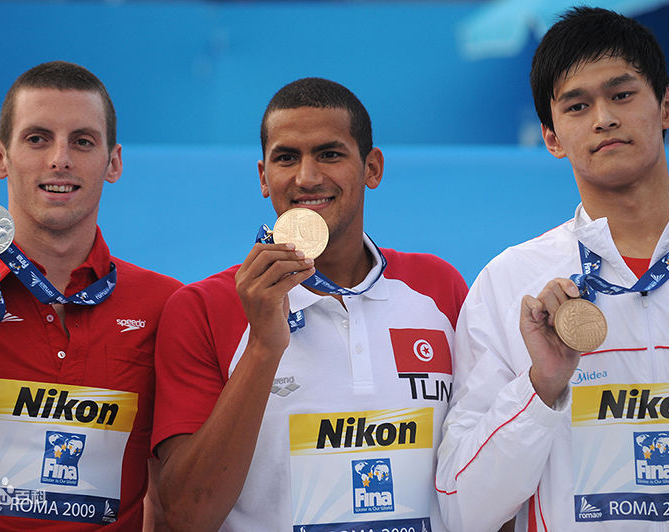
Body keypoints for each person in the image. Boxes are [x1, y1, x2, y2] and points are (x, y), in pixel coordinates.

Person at [436, 6, 669, 531]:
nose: (604, 117)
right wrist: (541, 385)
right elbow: (460, 510)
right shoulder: (509, 281)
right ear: (552, 137)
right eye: (578, 105)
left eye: (622, 94)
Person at [152, 77, 467, 531]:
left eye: (330, 153)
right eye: (286, 158)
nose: (307, 177)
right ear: (264, 177)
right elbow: (186, 515)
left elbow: (480, 469)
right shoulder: (202, 307)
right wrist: (262, 346)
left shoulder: (438, 286)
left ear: (372, 168)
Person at [0, 61, 181, 529]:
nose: (60, 159)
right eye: (37, 138)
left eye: (82, 141)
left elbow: (168, 491)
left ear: (113, 162)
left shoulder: (166, 305)